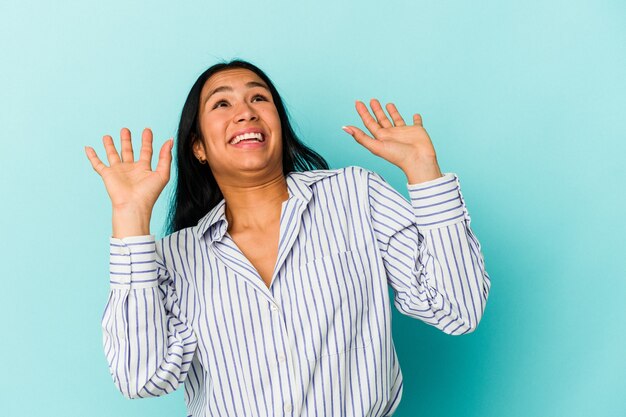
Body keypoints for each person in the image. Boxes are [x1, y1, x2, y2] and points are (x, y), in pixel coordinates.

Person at [85, 59, 491, 416]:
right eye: (222, 103)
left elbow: (458, 309)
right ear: (199, 148)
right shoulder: (175, 258)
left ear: (279, 123)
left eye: (259, 99)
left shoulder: (356, 195)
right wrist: (130, 218)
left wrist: (424, 172)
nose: (245, 112)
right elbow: (140, 376)